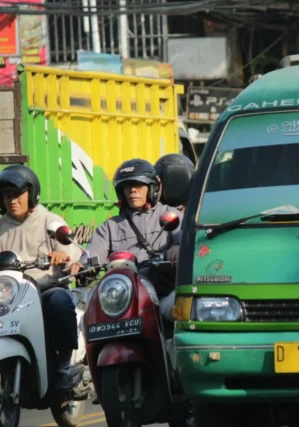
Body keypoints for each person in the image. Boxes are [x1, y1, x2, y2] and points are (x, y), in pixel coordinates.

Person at [0, 165, 82, 391]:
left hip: (45, 288)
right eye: (7, 196)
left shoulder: (49, 221)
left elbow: (74, 252)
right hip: (10, 295)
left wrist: (62, 255)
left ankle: (64, 366)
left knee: (60, 303)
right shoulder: (1, 227)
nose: (12, 201)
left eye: (17, 195)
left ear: (32, 194)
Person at [70, 158, 182, 322]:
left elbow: (183, 237)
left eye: (138, 185)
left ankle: (171, 347)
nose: (132, 190)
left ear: (152, 188)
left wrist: (177, 247)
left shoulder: (171, 215)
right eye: (127, 186)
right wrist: (82, 264)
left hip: (160, 294)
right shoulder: (110, 226)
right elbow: (92, 254)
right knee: (83, 316)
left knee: (176, 307)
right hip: (122, 297)